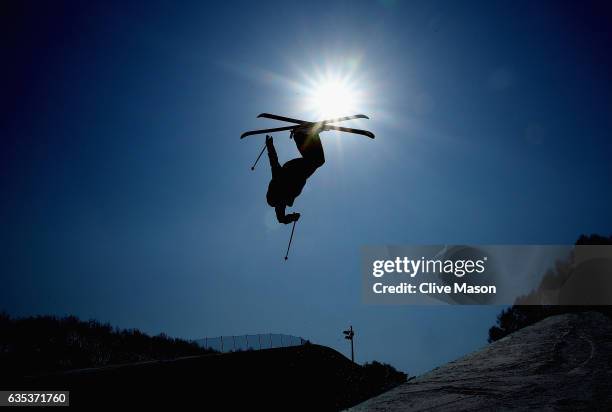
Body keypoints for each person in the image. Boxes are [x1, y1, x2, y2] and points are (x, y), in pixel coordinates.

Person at [265, 128, 325, 224]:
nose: (284, 205)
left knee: (317, 160)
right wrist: (292, 217)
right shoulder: (286, 196)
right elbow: (281, 219)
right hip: (301, 173)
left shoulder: (278, 179)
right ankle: (304, 134)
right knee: (317, 159)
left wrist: (269, 145)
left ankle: (302, 134)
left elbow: (273, 160)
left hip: (295, 169)